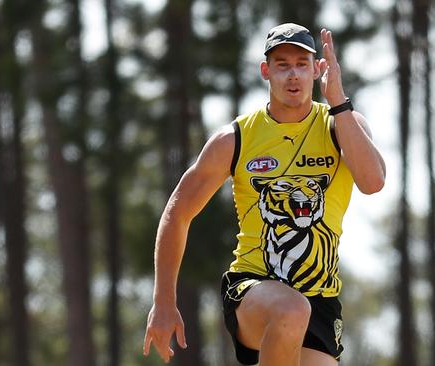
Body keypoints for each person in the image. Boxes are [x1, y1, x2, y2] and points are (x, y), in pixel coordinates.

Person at [142, 23, 386, 365]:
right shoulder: (235, 139)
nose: (293, 75)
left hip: (320, 297)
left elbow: (372, 182)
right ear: (265, 71)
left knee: (298, 308)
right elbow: (177, 212)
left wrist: (338, 101)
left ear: (318, 69)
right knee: (290, 308)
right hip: (253, 289)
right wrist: (164, 301)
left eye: (302, 64)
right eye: (282, 64)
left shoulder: (342, 124)